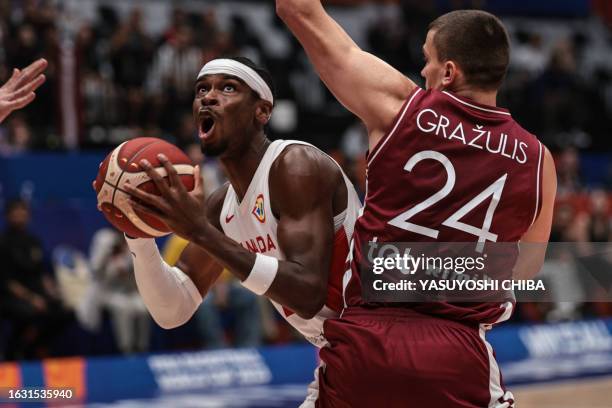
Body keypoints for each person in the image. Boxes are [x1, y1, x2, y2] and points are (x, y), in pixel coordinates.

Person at [277, 3, 556, 407]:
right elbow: (526, 268)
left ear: (449, 72)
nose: (422, 71)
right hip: (459, 354)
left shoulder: (400, 108)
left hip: (366, 343)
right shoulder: (539, 159)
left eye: (427, 59)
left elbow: (296, 9)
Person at [112, 57, 361, 406]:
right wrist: (137, 234)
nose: (209, 97)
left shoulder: (295, 165)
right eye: (202, 89)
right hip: (341, 357)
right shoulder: (220, 208)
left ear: (262, 111)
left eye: (227, 88)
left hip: (385, 342)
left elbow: (307, 294)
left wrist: (201, 232)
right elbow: (173, 311)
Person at [0, 199, 73, 360]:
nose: (20, 214)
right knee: (30, 313)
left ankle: (38, 346)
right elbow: (6, 281)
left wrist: (52, 291)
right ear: (8, 215)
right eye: (16, 211)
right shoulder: (3, 242)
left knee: (65, 312)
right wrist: (32, 298)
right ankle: (16, 350)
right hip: (12, 296)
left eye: (23, 211)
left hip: (37, 292)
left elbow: (41, 272)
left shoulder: (33, 241)